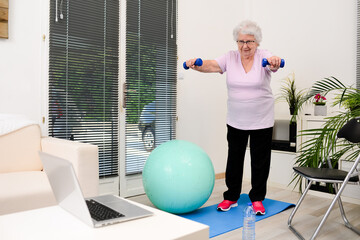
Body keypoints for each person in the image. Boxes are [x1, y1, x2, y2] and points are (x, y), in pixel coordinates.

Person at [184, 20, 283, 215]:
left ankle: (257, 198)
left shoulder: (264, 56)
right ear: (236, 42)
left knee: (260, 161)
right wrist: (196, 63)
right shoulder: (230, 57)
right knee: (234, 159)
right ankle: (231, 197)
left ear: (257, 42)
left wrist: (276, 61)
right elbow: (212, 65)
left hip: (261, 119)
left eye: (249, 42)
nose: (245, 46)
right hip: (236, 119)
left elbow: (274, 63)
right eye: (241, 41)